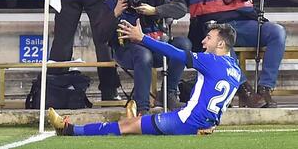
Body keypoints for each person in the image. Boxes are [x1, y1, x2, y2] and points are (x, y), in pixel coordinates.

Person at [48, 22, 241, 136]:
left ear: (221, 43)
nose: (203, 41)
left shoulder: (211, 61)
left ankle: (69, 129)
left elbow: (176, 53)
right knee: (139, 123)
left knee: (126, 127)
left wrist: (143, 39)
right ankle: (138, 118)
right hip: (204, 123)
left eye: (209, 37)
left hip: (186, 121)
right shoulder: (236, 69)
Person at [174, 0, 286, 108]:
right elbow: (178, 0)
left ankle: (265, 89)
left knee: (277, 32)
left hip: (244, 23)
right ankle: (245, 92)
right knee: (221, 40)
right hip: (211, 29)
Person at [107, 0, 192, 115]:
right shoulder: (111, 3)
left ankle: (168, 94)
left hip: (156, 46)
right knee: (143, 54)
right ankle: (142, 108)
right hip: (127, 51)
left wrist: (155, 10)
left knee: (183, 44)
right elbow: (100, 35)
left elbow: (181, 8)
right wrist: (115, 13)